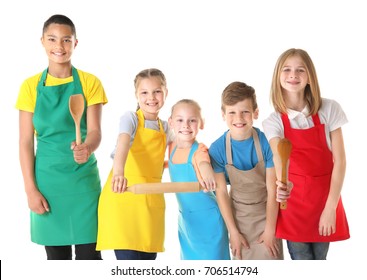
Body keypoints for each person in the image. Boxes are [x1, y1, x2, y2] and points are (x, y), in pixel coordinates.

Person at [16, 14, 108, 260]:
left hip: (83, 182)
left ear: (75, 43)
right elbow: (25, 141)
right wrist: (30, 189)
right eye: (52, 39)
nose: (59, 46)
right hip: (47, 183)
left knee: (91, 258)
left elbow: (96, 132)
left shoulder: (90, 83)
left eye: (66, 40)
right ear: (42, 42)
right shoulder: (29, 86)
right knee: (57, 261)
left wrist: (87, 147)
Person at [262, 48, 350, 260]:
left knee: (320, 259)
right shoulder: (273, 122)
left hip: (326, 201)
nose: (293, 75)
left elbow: (340, 161)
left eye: (300, 70)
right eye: (287, 69)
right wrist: (283, 186)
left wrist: (330, 208)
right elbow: (278, 156)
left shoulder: (329, 109)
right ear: (278, 77)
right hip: (293, 206)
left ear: (310, 76)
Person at [97, 68, 173, 260]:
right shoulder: (130, 118)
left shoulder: (166, 127)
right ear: (136, 95)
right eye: (144, 92)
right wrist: (118, 173)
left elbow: (177, 156)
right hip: (124, 196)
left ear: (166, 92)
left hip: (150, 204)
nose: (151, 97)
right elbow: (123, 144)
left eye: (157, 91)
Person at [209, 82, 283, 260]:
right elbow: (221, 194)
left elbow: (273, 190)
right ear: (223, 114)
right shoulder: (218, 149)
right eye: (232, 112)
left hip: (268, 215)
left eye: (245, 112)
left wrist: (270, 230)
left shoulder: (266, 142)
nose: (238, 118)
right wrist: (233, 232)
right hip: (238, 218)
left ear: (255, 113)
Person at [167, 99, 230, 260]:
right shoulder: (171, 147)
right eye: (180, 120)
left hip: (209, 221)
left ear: (201, 123)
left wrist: (207, 173)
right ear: (171, 123)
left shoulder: (199, 150)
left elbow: (203, 162)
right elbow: (174, 165)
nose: (185, 125)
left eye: (192, 120)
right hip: (187, 222)